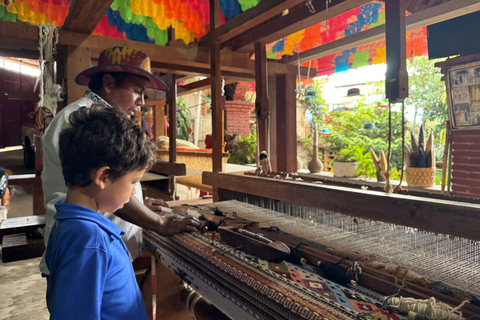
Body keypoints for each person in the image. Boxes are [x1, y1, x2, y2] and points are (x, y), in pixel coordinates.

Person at [40, 46, 201, 274]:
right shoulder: (84, 122)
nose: (142, 101)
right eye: (137, 90)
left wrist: (139, 205)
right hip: (84, 256)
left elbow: (110, 188)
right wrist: (160, 223)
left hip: (99, 253)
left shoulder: (99, 118)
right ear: (108, 83)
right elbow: (102, 186)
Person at [46, 105, 154, 319]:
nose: (133, 191)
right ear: (103, 177)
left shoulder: (72, 225)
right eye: (133, 182)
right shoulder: (89, 241)